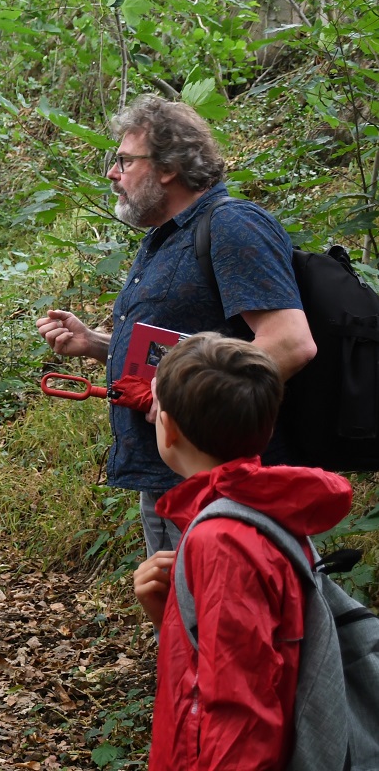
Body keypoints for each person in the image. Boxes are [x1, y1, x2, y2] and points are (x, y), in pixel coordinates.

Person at [36, 94, 315, 557]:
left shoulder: (232, 226)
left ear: (167, 167)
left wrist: (186, 398)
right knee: (181, 622)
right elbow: (184, 351)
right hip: (173, 479)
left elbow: (290, 343)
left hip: (227, 489)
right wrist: (97, 343)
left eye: (124, 160)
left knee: (220, 623)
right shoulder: (165, 240)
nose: (112, 172)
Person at [130, 333, 350, 770]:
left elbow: (239, 710)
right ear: (266, 429)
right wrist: (171, 611)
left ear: (168, 429)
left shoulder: (222, 540)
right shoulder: (261, 508)